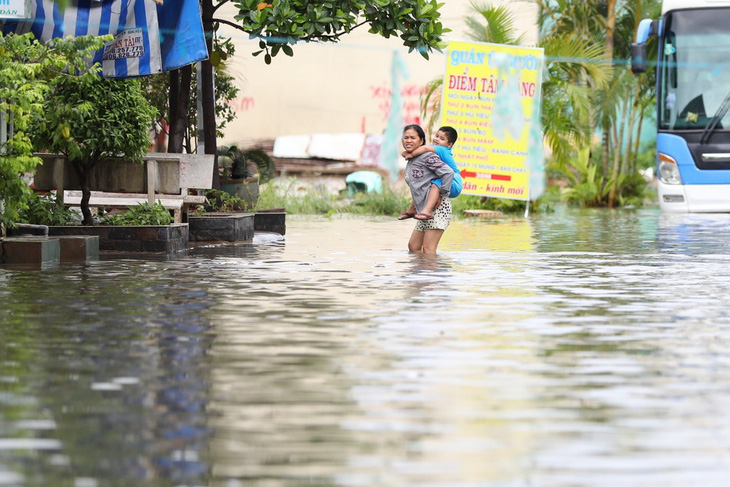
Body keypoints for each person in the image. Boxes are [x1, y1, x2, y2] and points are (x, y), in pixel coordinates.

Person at [401, 124, 454, 254]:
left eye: (413, 138)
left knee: (429, 249)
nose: (408, 140)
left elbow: (448, 172)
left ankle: (433, 273)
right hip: (423, 210)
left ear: (421, 140)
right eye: (406, 137)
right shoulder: (413, 158)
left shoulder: (427, 156)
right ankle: (421, 273)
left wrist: (442, 194)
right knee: (413, 247)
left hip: (438, 208)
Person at [398, 126, 461, 221]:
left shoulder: (441, 149)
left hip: (454, 181)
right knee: (422, 184)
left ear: (449, 144)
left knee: (435, 185)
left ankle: (427, 211)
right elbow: (405, 153)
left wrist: (411, 154)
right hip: (447, 178)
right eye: (437, 136)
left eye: (442, 138)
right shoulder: (433, 149)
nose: (437, 139)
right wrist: (407, 153)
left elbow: (424, 149)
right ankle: (413, 209)